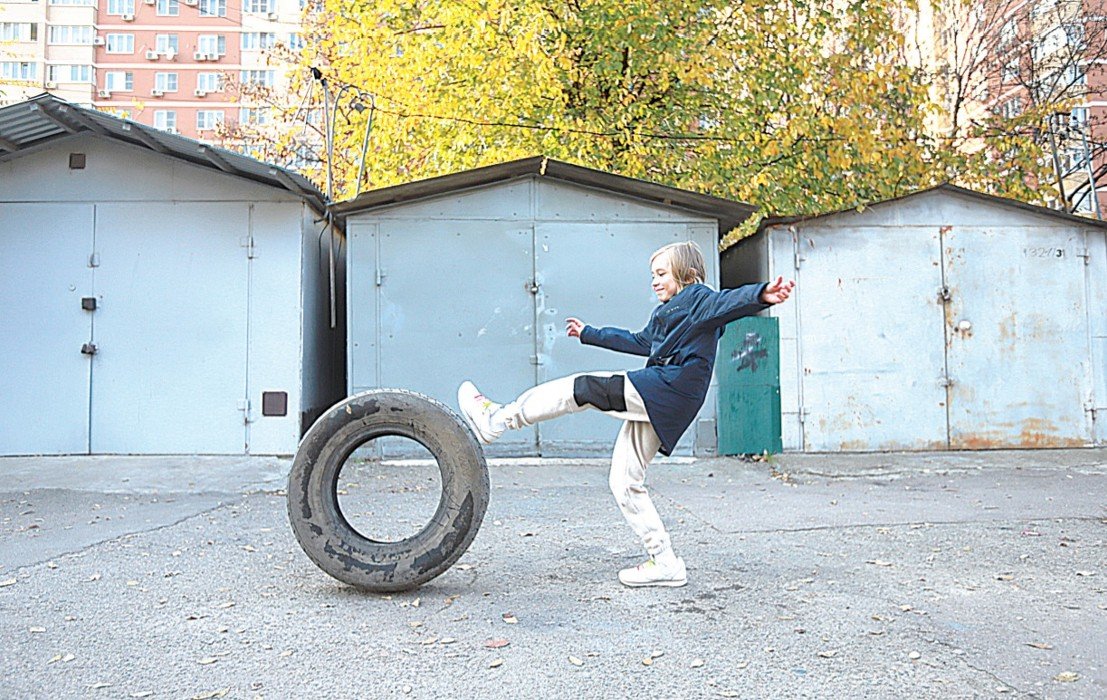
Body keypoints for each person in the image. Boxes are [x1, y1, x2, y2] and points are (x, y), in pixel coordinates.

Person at [458, 241, 795, 588]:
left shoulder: (698, 298)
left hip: (668, 387)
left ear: (688, 275)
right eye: (653, 275)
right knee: (624, 481)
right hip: (667, 399)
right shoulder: (670, 313)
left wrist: (761, 294)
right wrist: (589, 333)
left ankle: (499, 419)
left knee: (586, 387)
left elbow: (726, 303)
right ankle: (665, 562)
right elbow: (639, 341)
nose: (654, 281)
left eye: (662, 273)